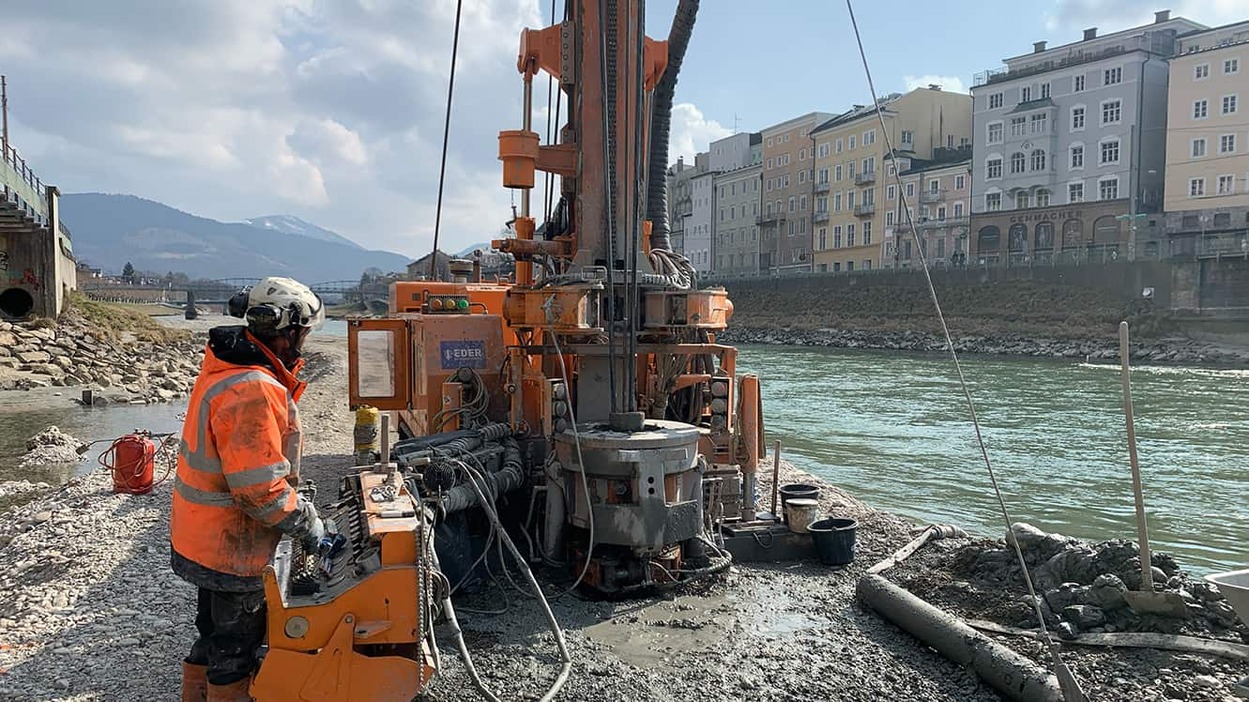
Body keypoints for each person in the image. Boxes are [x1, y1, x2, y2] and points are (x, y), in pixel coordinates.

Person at [170, 277, 327, 702]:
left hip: (200, 534)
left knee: (213, 632)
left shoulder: (225, 363)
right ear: (288, 330)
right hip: (231, 545)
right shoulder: (253, 388)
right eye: (305, 334)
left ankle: (196, 691)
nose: (305, 343)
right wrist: (310, 525)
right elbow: (260, 492)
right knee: (235, 649)